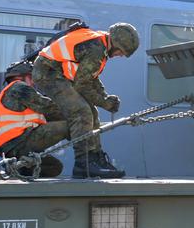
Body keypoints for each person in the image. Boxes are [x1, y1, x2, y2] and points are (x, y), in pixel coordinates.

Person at [31, 22, 139, 178]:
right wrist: (105, 102)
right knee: (81, 111)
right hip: (47, 74)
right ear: (115, 44)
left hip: (56, 73)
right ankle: (83, 164)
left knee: (92, 112)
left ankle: (95, 159)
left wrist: (104, 97)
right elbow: (82, 85)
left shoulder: (100, 43)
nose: (120, 55)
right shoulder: (96, 50)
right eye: (121, 51)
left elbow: (91, 78)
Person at [0, 61, 70, 177]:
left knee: (54, 167)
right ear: (21, 76)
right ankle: (86, 163)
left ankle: (18, 171)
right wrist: (77, 114)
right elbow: (49, 107)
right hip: (18, 143)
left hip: (11, 147)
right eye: (31, 77)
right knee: (72, 125)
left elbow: (50, 114)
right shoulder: (19, 87)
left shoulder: (11, 92)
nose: (34, 82)